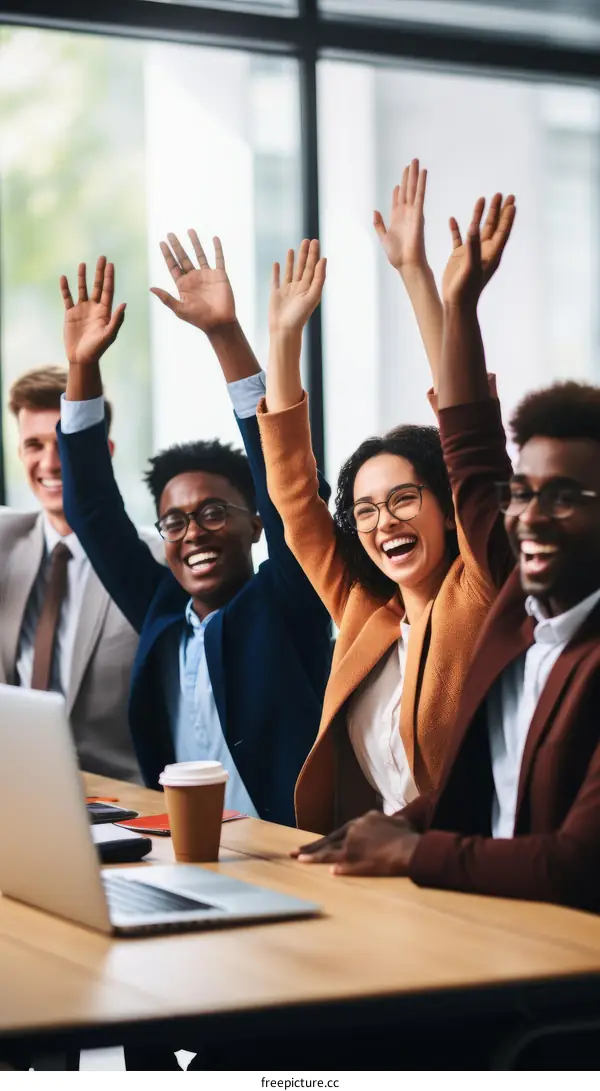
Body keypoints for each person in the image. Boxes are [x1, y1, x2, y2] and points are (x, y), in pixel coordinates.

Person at [294, 202, 600, 916]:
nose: (532, 515)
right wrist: (456, 301)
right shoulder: (520, 619)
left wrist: (410, 850)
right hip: (477, 923)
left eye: (566, 496)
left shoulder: (494, 601)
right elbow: (470, 443)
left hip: (562, 982)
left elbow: (578, 865)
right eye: (523, 494)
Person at [256, 184, 516, 835]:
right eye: (366, 510)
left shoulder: (481, 586)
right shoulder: (363, 610)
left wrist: (418, 276)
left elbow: (470, 441)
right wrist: (283, 339)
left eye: (403, 498)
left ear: (450, 509)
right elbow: (294, 495)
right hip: (381, 867)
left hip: (470, 860)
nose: (384, 523)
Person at [57, 245, 332, 827]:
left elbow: (287, 485)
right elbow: (93, 515)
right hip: (190, 849)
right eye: (175, 521)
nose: (192, 534)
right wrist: (82, 369)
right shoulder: (161, 610)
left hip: (293, 854)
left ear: (255, 523)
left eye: (213, 513)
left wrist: (225, 335)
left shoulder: (288, 598)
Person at [0, 364, 162, 781]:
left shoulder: (156, 562)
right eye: (33, 445)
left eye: (61, 444)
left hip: (125, 803)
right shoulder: (5, 541)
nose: (50, 463)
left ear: (100, 453)